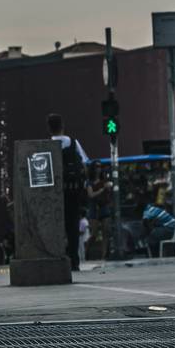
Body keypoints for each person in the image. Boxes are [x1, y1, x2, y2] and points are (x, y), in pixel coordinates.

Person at [47, 113, 89, 270]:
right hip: (72, 191)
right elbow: (85, 164)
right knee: (73, 226)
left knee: (55, 226)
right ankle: (74, 261)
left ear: (49, 128)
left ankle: (58, 259)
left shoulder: (46, 144)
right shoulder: (73, 142)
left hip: (54, 193)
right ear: (62, 125)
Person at [86, 166, 113, 260]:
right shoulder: (89, 182)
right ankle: (87, 251)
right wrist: (101, 189)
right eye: (96, 167)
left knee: (106, 231)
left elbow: (109, 192)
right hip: (94, 208)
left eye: (99, 167)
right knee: (94, 234)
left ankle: (104, 255)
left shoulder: (104, 180)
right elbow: (91, 195)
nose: (98, 169)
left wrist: (108, 188)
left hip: (104, 207)